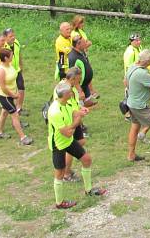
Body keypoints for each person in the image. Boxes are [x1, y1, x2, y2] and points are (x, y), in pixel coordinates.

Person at [48, 81, 107, 209]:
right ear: (64, 95)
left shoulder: (66, 102)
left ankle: (89, 190)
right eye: (70, 92)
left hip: (68, 142)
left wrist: (81, 111)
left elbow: (74, 112)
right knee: (59, 173)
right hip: (58, 144)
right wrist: (77, 122)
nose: (72, 93)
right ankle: (59, 203)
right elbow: (68, 133)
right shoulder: (54, 111)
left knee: (86, 159)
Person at [0, 48, 33, 145]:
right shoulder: (1, 70)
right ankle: (22, 137)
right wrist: (14, 95)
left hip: (11, 94)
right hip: (4, 96)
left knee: (4, 112)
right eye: (11, 55)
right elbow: (3, 87)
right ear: (5, 58)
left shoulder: (9, 65)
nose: (13, 56)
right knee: (15, 115)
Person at [57, 67, 88, 183]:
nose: (78, 83)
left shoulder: (72, 87)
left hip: (75, 118)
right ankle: (67, 173)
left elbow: (73, 103)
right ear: (73, 78)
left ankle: (67, 169)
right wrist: (78, 113)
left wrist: (80, 108)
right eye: (78, 80)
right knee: (72, 146)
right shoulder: (62, 89)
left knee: (81, 142)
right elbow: (63, 105)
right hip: (68, 121)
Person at [70, 15, 98, 98]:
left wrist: (86, 44)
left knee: (88, 71)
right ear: (77, 23)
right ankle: (82, 91)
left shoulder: (81, 31)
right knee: (81, 73)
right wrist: (86, 44)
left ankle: (90, 91)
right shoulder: (74, 33)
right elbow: (78, 45)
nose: (83, 24)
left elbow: (86, 42)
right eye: (81, 22)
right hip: (79, 54)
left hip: (84, 54)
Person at [3, 27, 27, 116]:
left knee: (21, 88)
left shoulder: (16, 42)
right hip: (8, 73)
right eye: (10, 36)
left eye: (13, 35)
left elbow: (19, 54)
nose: (13, 37)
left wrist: (21, 65)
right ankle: (6, 108)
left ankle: (19, 108)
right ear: (5, 38)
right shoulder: (3, 47)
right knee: (10, 92)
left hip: (17, 70)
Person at [68, 34, 94, 104]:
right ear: (78, 45)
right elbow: (73, 77)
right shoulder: (73, 57)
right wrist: (80, 91)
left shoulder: (81, 51)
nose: (86, 43)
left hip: (84, 86)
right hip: (78, 89)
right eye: (84, 42)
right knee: (79, 109)